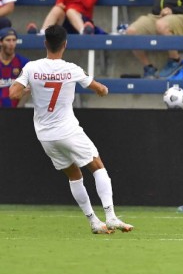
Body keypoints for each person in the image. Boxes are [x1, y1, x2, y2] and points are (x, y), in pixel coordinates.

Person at [8, 25, 134, 234]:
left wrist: (31, 87)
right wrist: (103, 90)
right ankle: (110, 216)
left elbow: (13, 93)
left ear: (45, 43)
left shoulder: (31, 67)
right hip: (68, 131)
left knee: (74, 176)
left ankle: (94, 222)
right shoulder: (71, 69)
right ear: (65, 44)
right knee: (98, 167)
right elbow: (100, 88)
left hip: (46, 136)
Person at [0, 27, 29, 107]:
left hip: (16, 111)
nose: (12, 43)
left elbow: (28, 89)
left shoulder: (24, 63)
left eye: (14, 40)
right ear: (1, 42)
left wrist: (17, 111)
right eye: (8, 40)